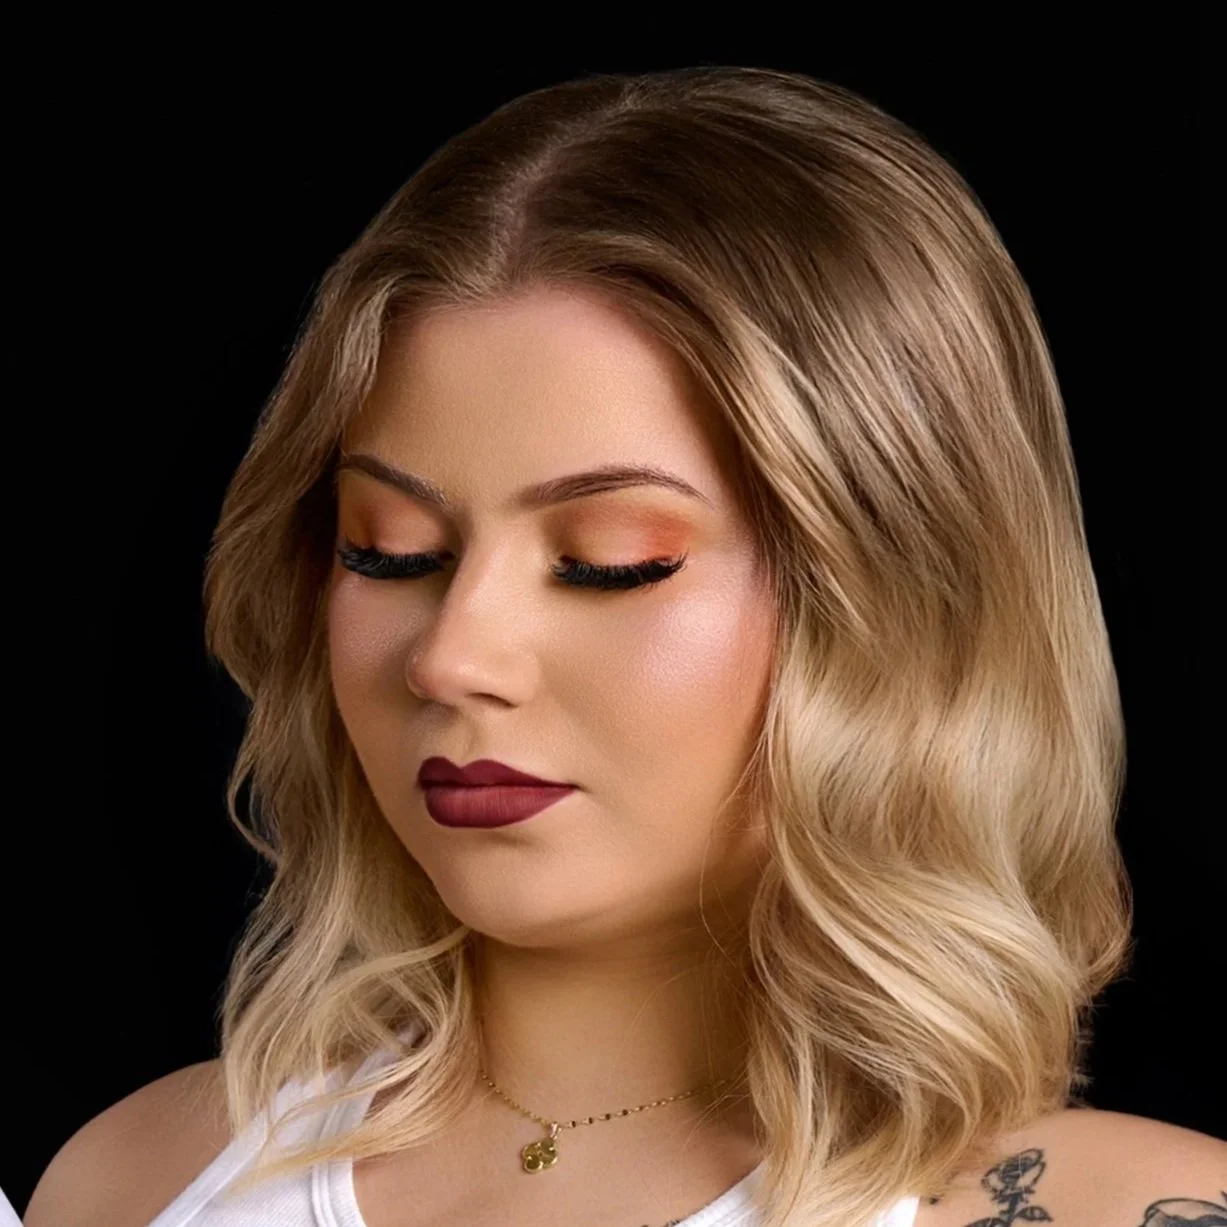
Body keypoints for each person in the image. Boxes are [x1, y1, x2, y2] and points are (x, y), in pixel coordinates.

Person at [27, 65, 1225, 1227]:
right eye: (388, 550)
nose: (452, 659)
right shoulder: (129, 1185)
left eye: (611, 560)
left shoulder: (1126, 1209)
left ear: (906, 601)